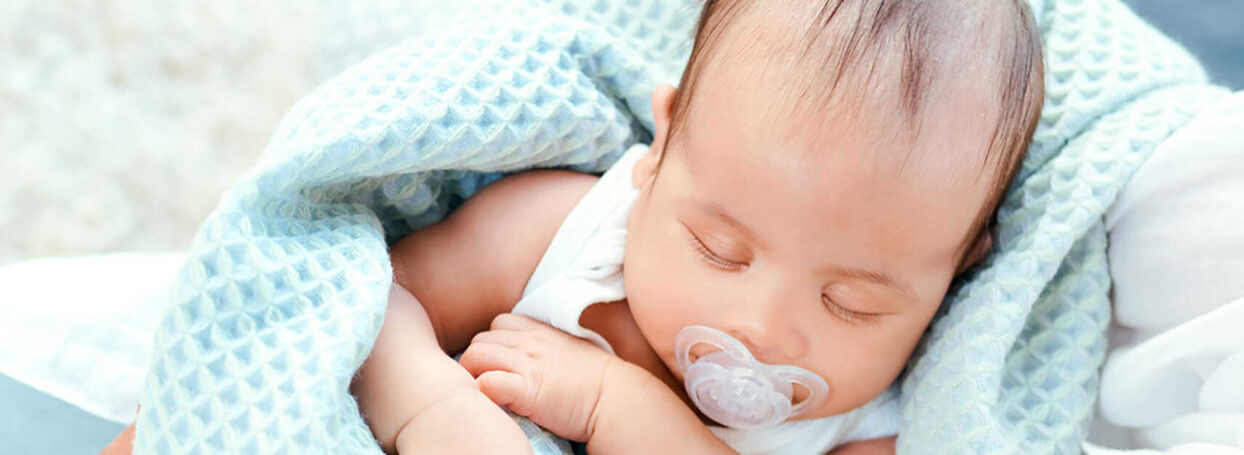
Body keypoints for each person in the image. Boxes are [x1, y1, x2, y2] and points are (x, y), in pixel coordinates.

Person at [103, 0, 1044, 453]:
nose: (760, 324)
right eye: (718, 245)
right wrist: (437, 409)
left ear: (956, 269)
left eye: (853, 300)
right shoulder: (570, 232)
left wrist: (616, 407)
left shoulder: (871, 422)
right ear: (665, 146)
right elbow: (364, 302)